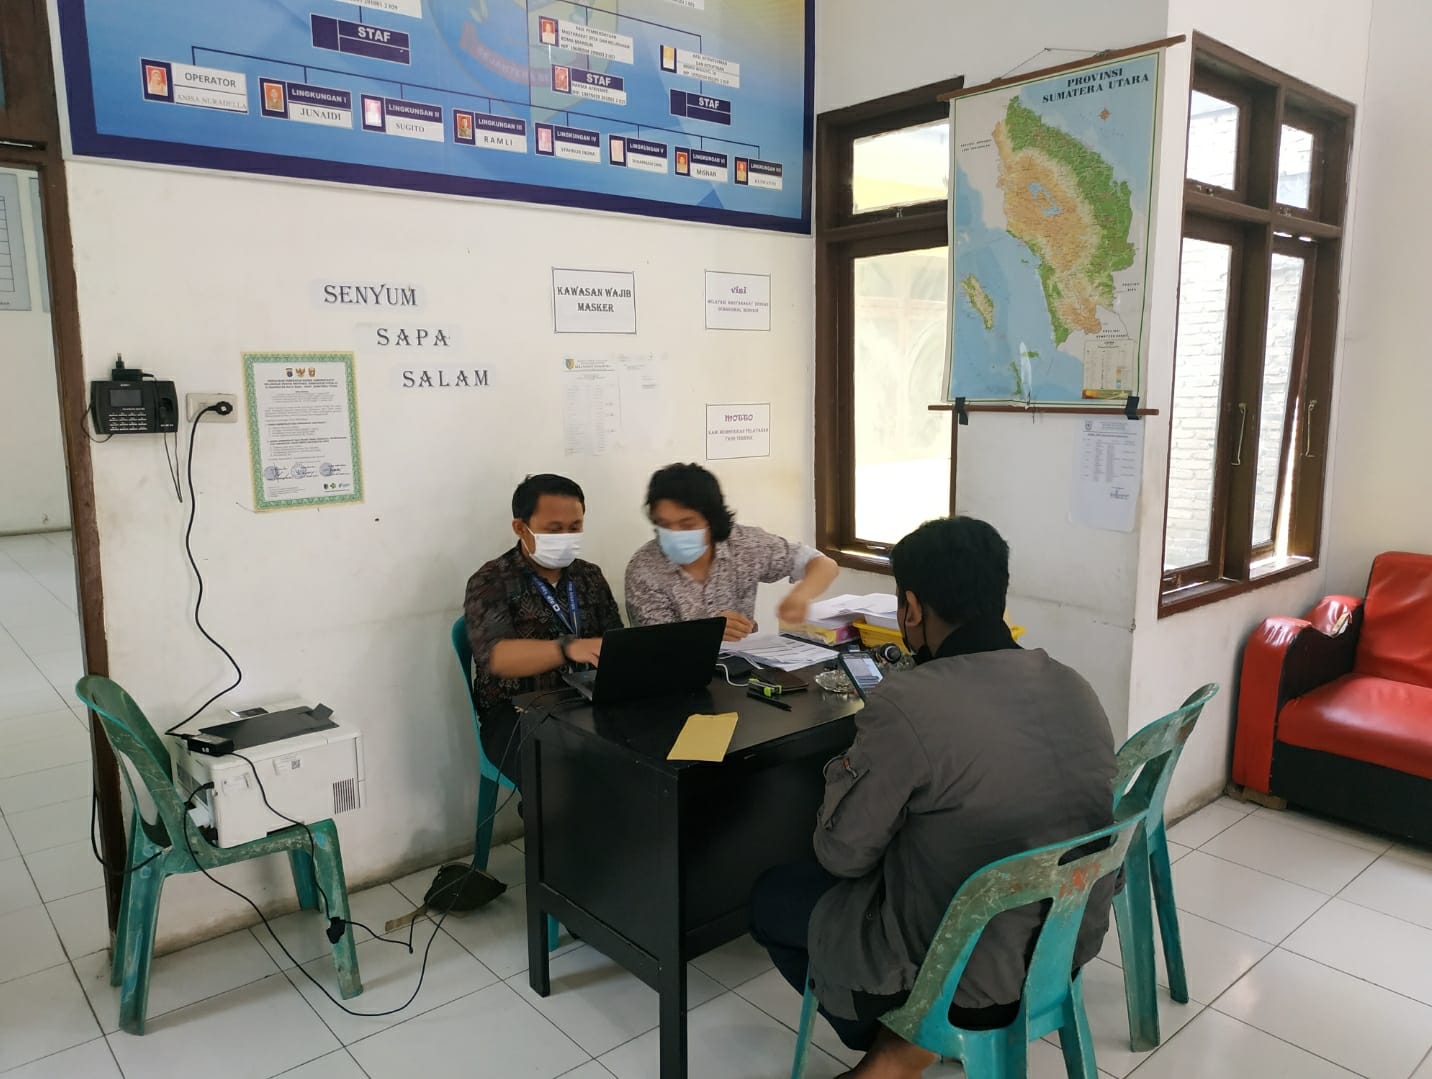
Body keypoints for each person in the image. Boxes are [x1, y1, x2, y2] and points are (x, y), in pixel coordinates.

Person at [749, 517, 1116, 1078]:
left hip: (962, 975)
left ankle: (903, 1040)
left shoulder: (908, 701)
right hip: (1060, 954)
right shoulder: (1074, 684)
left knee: (773, 896)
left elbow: (842, 855)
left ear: (912, 609)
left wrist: (845, 771)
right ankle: (906, 1046)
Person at [463, 474, 623, 787]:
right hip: (517, 714)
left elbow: (614, 641)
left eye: (575, 527)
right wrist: (567, 648)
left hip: (588, 701)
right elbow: (496, 657)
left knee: (648, 753)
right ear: (520, 528)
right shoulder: (491, 579)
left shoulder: (589, 576)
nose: (566, 537)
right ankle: (552, 819)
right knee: (563, 780)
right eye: (554, 529)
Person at [624, 463, 838, 642]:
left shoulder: (744, 544)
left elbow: (823, 564)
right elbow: (654, 644)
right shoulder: (644, 568)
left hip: (744, 665)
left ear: (712, 520)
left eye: (687, 524)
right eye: (664, 525)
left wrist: (800, 596)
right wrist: (708, 631)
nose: (675, 533)